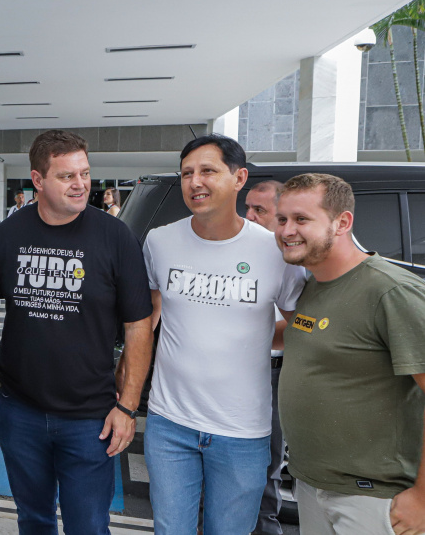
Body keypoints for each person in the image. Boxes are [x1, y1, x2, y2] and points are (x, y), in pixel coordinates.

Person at [0, 129, 153, 534]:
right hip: (20, 410)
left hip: (89, 416)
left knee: (88, 526)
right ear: (38, 181)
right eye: (67, 176)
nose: (81, 185)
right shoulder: (10, 234)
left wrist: (127, 407)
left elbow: (138, 325)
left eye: (85, 173)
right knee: (34, 519)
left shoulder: (114, 237)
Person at [142, 134, 305, 534]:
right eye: (186, 174)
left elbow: (305, 325)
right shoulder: (159, 241)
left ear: (239, 177)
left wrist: (253, 337)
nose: (195, 182)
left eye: (208, 171)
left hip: (243, 432)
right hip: (169, 424)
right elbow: (147, 318)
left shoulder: (274, 250)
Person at [276, 173, 425, 535]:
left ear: (342, 222)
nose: (285, 230)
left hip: (374, 498)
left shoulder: (390, 291)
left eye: (301, 219)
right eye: (281, 219)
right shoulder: (313, 285)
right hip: (312, 488)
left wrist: (422, 497)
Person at [245, 180, 289, 535]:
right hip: (234, 373)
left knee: (265, 468)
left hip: (273, 373)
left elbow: (304, 324)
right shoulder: (240, 250)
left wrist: (249, 338)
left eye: (260, 210)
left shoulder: (291, 259)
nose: (249, 216)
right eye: (247, 208)